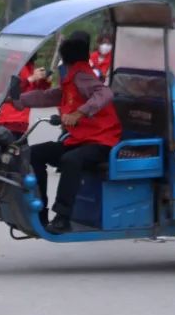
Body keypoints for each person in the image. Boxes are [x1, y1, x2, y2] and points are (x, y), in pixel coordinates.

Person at [15, 31, 121, 234]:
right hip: (80, 140)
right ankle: (40, 210)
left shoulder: (81, 75)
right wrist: (17, 100)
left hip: (102, 142)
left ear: (66, 58)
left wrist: (80, 113)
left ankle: (63, 217)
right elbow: (49, 96)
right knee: (35, 153)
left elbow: (105, 93)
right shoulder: (71, 79)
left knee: (71, 160)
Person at [0, 55, 51, 135]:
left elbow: (34, 92)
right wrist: (31, 78)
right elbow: (10, 89)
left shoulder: (29, 64)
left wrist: (44, 81)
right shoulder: (14, 61)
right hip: (8, 119)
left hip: (21, 121)